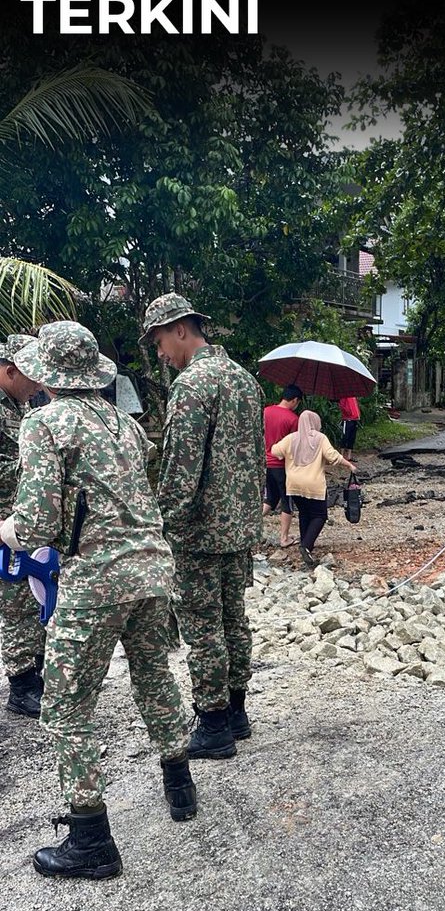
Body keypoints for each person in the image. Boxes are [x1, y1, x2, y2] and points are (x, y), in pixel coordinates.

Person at [0, 321, 196, 880]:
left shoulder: (44, 422)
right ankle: (180, 784)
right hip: (152, 568)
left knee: (65, 707)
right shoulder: (122, 422)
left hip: (98, 580)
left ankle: (90, 839)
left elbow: (36, 523)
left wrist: (6, 530)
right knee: (153, 674)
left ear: (47, 371)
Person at [141, 293, 265, 759]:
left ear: (180, 329)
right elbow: (256, 457)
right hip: (239, 529)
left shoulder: (192, 386)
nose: (160, 353)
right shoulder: (244, 380)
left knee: (204, 628)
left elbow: (180, 471)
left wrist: (159, 529)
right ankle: (236, 712)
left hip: (199, 533)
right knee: (234, 620)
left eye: (159, 342)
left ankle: (213, 725)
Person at [0, 334, 45, 717]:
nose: (40, 385)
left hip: (23, 519)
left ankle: (36, 673)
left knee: (36, 595)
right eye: (34, 376)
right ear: (11, 371)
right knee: (15, 603)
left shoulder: (21, 404)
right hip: (3, 523)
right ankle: (22, 684)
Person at [271, 410, 356, 567]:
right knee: (320, 515)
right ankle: (306, 545)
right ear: (315, 422)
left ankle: (306, 544)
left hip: (294, 484)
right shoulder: (320, 438)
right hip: (313, 483)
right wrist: (349, 465)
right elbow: (332, 456)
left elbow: (275, 450)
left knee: (304, 513)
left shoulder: (291, 438)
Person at [262, 384, 302, 548]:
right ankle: (284, 538)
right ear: (295, 400)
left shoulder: (265, 411)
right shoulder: (293, 419)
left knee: (270, 498)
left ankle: (249, 528)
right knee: (287, 501)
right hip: (281, 465)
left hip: (265, 463)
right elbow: (294, 445)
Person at [339, 396, 360, 461]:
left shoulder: (353, 397)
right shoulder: (344, 396)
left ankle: (349, 456)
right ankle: (341, 456)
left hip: (355, 419)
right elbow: (342, 406)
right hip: (347, 419)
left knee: (352, 437)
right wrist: (348, 413)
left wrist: (357, 415)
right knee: (345, 437)